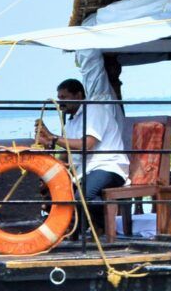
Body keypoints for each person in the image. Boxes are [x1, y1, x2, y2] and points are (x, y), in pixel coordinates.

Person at [35, 75, 129, 230]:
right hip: (85, 171)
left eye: (64, 97)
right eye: (59, 98)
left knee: (83, 197)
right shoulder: (72, 120)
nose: (60, 102)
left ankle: (103, 228)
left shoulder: (94, 110)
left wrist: (53, 138)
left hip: (108, 166)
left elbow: (87, 145)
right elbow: (65, 155)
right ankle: (79, 228)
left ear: (78, 95)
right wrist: (48, 146)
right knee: (51, 198)